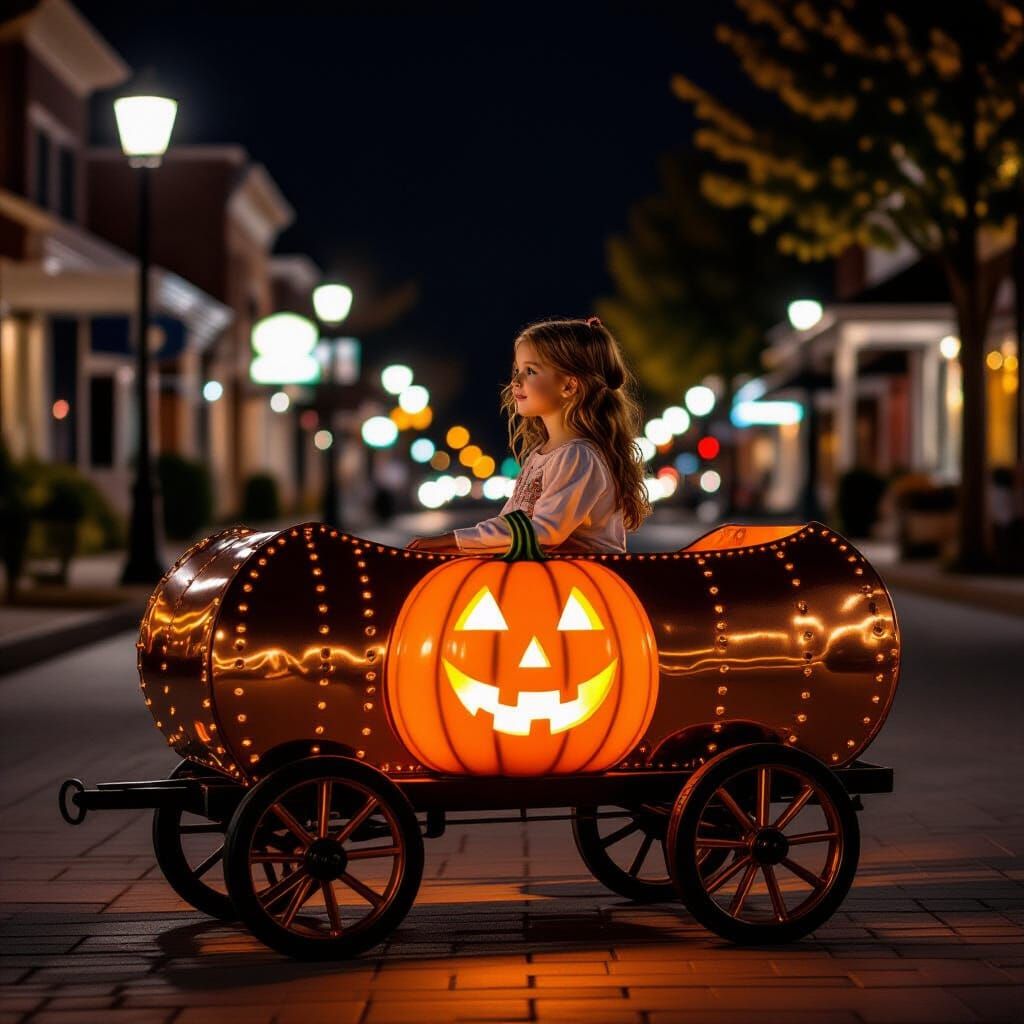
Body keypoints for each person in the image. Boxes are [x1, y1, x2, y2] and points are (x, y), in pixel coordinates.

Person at [407, 316, 652, 555]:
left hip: (587, 583)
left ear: (569, 386)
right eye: (517, 370)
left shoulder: (578, 456)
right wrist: (460, 547)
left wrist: (454, 541)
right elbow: (510, 525)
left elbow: (545, 532)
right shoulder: (542, 454)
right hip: (549, 579)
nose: (515, 381)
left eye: (530, 371)